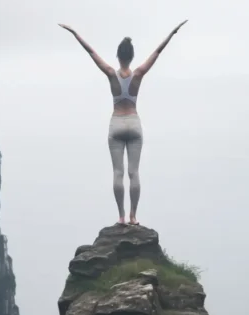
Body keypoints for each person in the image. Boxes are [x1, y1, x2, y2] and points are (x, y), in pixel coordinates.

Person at [58, 21, 187, 225]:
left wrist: (75, 33)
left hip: (116, 123)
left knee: (118, 173)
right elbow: (158, 51)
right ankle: (133, 216)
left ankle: (121, 216)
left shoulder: (111, 73)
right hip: (134, 124)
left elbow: (91, 52)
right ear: (132, 56)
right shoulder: (138, 74)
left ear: (118, 56)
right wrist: (172, 33)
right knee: (134, 173)